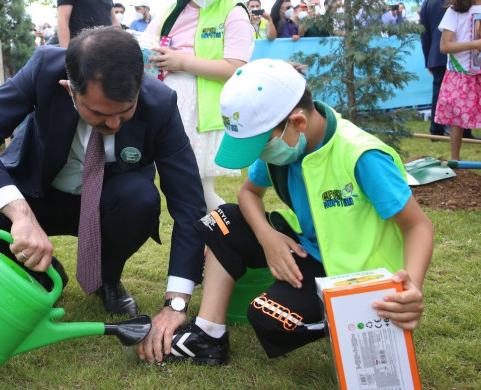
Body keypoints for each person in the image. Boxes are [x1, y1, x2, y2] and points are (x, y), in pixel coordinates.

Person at [139, 59, 434, 366]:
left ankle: (351, 316)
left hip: (358, 279)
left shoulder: (362, 156)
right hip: (309, 253)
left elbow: (418, 227)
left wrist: (410, 286)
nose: (259, 155)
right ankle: (208, 335)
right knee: (220, 219)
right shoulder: (284, 145)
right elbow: (248, 193)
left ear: (297, 122)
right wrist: (268, 237)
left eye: (261, 144)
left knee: (269, 318)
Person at [0, 26, 206, 319]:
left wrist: (176, 304)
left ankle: (106, 278)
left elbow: (189, 204)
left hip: (110, 203)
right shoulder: (44, 68)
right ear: (69, 89)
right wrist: (20, 215)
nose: (113, 125)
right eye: (99, 113)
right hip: (38, 193)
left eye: (125, 111)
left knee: (141, 199)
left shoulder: (159, 103)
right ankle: (40, 273)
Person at [143, 0, 254, 212]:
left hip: (199, 113)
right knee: (187, 190)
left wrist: (182, 62)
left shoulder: (232, 11)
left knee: (196, 191)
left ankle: (229, 238)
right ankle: (219, 242)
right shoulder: (171, 9)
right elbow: (147, 42)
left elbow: (236, 67)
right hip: (169, 104)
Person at [436, 0, 481, 159]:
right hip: (460, 73)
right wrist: (474, 44)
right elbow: (444, 46)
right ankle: (455, 160)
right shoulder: (454, 12)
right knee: (457, 117)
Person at [421, 0, 452, 138]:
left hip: (437, 54)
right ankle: (461, 130)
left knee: (438, 92)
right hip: (457, 51)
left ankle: (436, 129)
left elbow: (424, 32)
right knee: (461, 92)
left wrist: (428, 58)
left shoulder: (428, 3)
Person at [57, 0, 121, 48]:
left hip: (106, 46)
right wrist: (65, 51)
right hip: (81, 49)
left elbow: (114, 21)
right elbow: (63, 20)